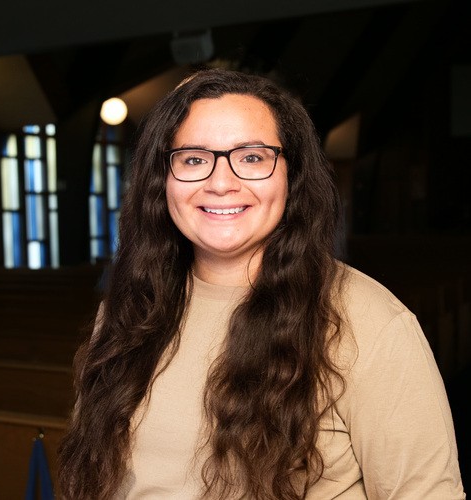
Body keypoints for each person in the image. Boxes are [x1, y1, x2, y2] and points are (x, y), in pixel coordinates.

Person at [58, 69, 465, 499]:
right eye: (194, 159)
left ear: (292, 175)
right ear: (162, 181)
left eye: (252, 157)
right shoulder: (128, 310)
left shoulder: (370, 322)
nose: (220, 183)